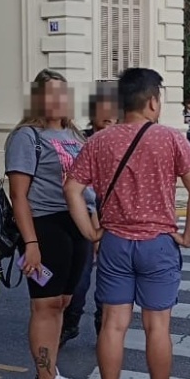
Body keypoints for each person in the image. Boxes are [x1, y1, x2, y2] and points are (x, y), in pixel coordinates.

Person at [65, 68, 190, 379]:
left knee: (113, 324)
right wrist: (188, 236)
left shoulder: (99, 141)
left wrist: (91, 231)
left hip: (114, 242)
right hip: (157, 244)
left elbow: (72, 188)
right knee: (157, 327)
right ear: (152, 102)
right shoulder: (171, 139)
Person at [4, 68, 91, 379]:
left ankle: (51, 373)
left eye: (62, 93)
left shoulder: (74, 134)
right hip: (44, 226)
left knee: (63, 303)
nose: (58, 100)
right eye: (50, 94)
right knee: (45, 305)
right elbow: (19, 196)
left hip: (74, 225)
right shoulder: (28, 137)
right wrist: (31, 244)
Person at [60, 84, 120, 347]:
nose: (108, 115)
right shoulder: (78, 142)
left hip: (116, 222)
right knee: (79, 279)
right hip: (84, 219)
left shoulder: (123, 143)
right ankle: (69, 323)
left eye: (113, 110)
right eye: (102, 109)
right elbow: (77, 189)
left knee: (108, 284)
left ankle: (103, 327)